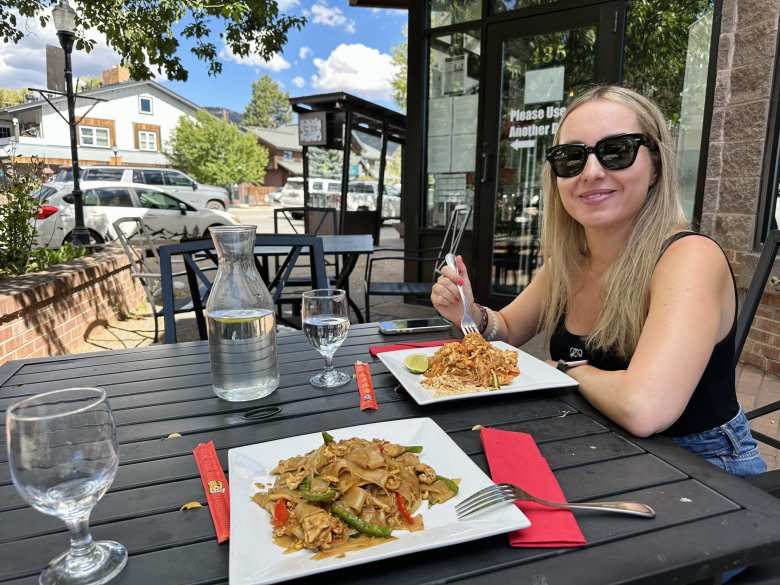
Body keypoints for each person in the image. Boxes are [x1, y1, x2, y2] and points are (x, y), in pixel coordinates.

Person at [431, 85, 766, 479]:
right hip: (598, 445)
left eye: (617, 151)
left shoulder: (688, 257)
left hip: (703, 470)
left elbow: (645, 407)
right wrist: (472, 313)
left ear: (655, 165)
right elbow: (506, 328)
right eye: (571, 158)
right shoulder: (570, 263)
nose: (591, 172)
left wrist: (564, 370)